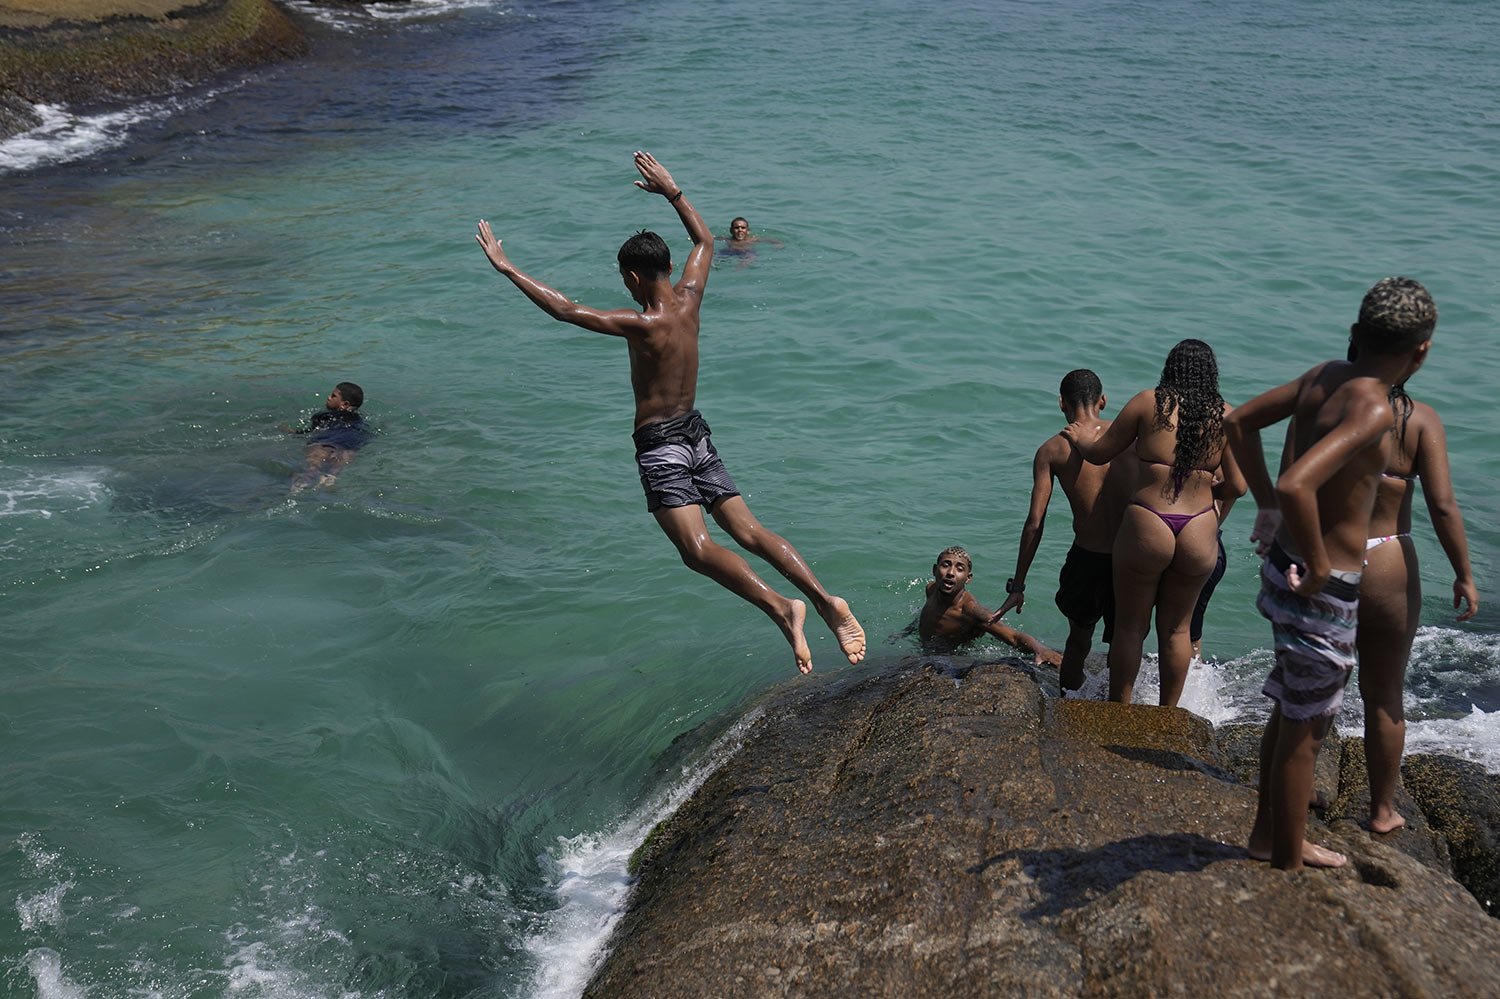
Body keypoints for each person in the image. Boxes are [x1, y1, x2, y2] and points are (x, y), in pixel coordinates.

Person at [475, 151, 864, 675]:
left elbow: (566, 309)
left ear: (634, 277)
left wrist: (507, 267)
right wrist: (673, 192)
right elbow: (704, 241)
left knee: (697, 550)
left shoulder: (642, 324)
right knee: (749, 531)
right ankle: (823, 598)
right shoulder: (690, 298)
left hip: (662, 446)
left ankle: (782, 607)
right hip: (697, 432)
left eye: (623, 278)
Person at [1225, 276, 1437, 871]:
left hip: (1282, 567)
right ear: (1420, 351)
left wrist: (1266, 506)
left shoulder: (1323, 375)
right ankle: (1287, 858)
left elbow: (1239, 423)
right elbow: (1300, 483)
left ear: (1357, 333)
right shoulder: (1374, 408)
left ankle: (1270, 836)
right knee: (1308, 724)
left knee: (1291, 708)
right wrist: (1320, 562)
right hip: (1323, 586)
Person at [1062, 341, 1245, 706]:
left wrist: (1082, 439)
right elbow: (1238, 486)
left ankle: (1120, 710)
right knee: (1177, 630)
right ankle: (1168, 713)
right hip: (1198, 526)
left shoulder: (1149, 402)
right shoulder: (1227, 415)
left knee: (1131, 626)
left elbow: (1100, 454)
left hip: (1150, 521)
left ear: (1170, 368)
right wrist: (1204, 484)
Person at [1352, 365, 1479, 834]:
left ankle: (1300, 787)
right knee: (1384, 694)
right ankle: (1382, 811)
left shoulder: (1333, 413)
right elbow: (1443, 504)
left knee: (1320, 686)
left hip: (1335, 554)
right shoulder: (1419, 420)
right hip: (1388, 558)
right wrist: (1463, 573)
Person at [996, 369, 1132, 692]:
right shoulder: (1128, 439)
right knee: (1125, 640)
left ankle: (1070, 704)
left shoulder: (1051, 450)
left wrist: (1018, 584)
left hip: (1085, 559)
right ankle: (1120, 709)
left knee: (1078, 642)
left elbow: (1035, 522)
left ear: (1061, 403)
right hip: (1128, 558)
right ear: (1103, 401)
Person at [919, 547, 1062, 664]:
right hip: (928, 648)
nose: (950, 572)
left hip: (951, 657)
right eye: (945, 565)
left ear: (968, 578)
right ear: (934, 570)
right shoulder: (931, 589)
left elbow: (1014, 636)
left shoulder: (969, 610)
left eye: (960, 569)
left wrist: (1041, 650)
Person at [286, 381, 369, 490]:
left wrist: (293, 432)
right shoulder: (359, 420)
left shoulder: (324, 415)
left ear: (345, 404)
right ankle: (332, 476)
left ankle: (309, 475)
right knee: (345, 454)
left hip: (328, 439)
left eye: (333, 396)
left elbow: (310, 431)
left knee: (317, 457)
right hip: (351, 440)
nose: (329, 397)